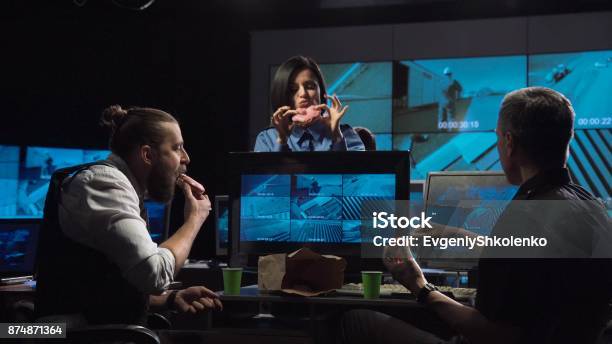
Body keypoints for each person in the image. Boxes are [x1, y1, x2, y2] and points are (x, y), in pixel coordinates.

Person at [339, 87, 612, 344]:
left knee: (354, 321)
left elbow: (491, 333)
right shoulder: (591, 207)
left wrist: (418, 285)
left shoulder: (523, 218)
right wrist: (459, 235)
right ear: (568, 138)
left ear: (509, 142)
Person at [35, 105, 222, 326]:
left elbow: (108, 288)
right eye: (177, 147)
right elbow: (155, 274)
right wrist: (194, 219)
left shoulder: (122, 187)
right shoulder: (103, 184)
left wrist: (169, 299)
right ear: (147, 155)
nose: (186, 158)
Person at [254, 55, 365, 152]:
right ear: (282, 95)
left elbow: (359, 174)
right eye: (293, 89)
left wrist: (336, 136)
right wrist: (281, 141)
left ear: (321, 93)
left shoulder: (346, 134)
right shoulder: (267, 138)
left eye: (310, 87)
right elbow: (266, 176)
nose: (303, 94)